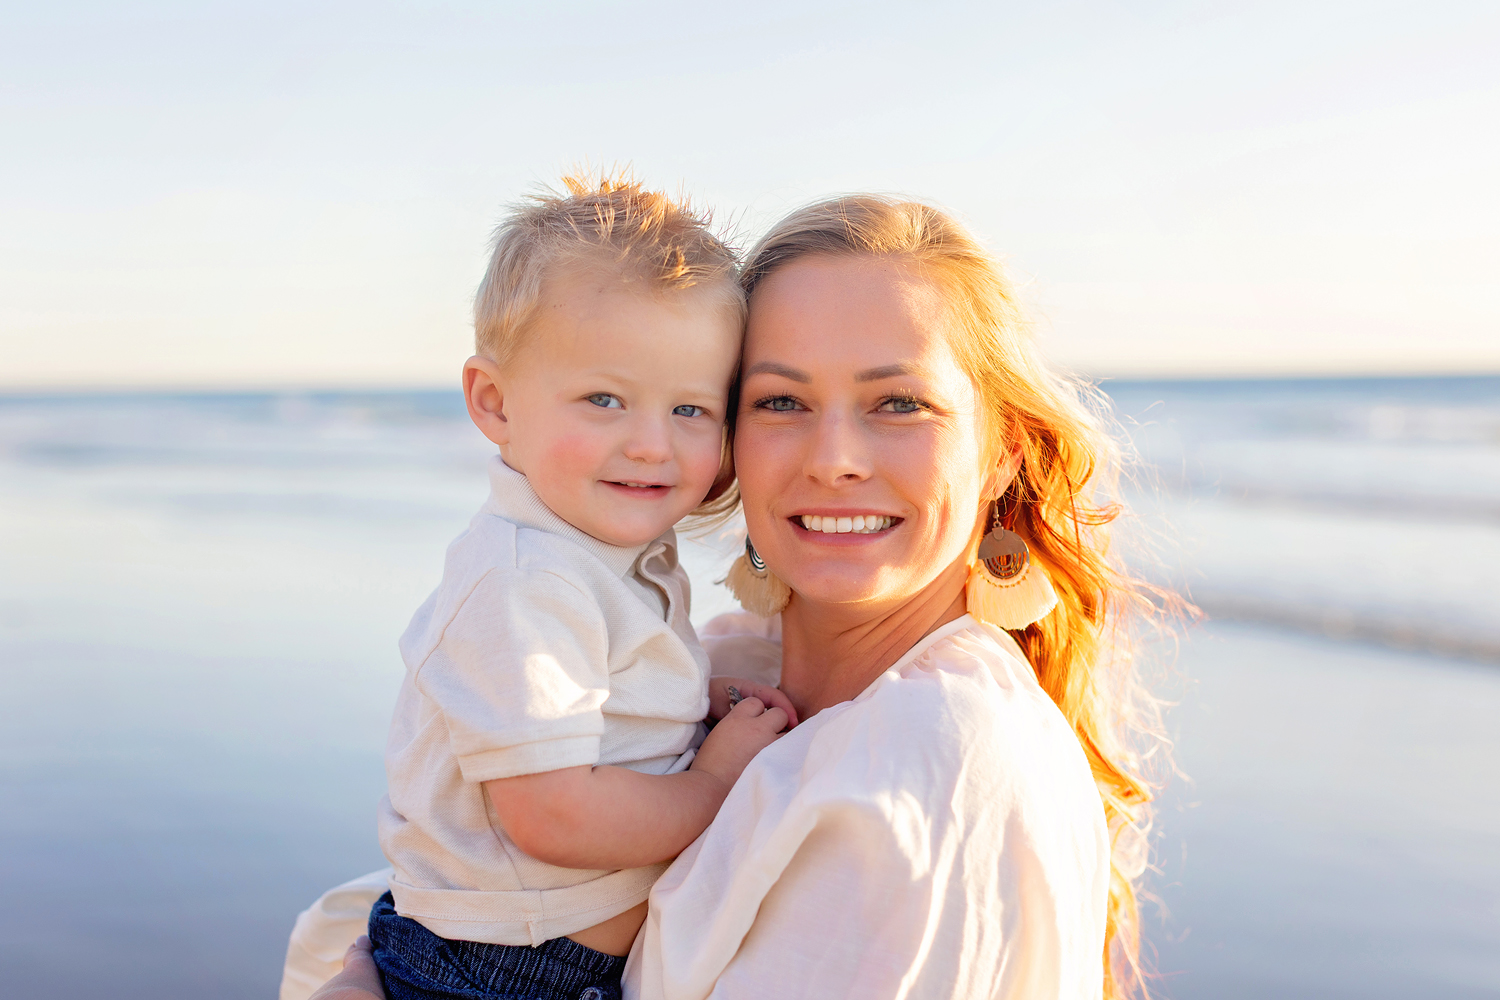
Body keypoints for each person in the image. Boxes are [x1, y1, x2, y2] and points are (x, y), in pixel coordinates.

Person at [293, 194, 1166, 1000]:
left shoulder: (938, 751)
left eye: (898, 403)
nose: (832, 458)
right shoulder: (721, 663)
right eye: (780, 399)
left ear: (1004, 448)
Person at [356, 173, 796, 1000]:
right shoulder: (525, 582)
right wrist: (712, 784)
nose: (650, 446)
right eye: (605, 399)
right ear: (495, 403)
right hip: (502, 971)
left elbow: (594, 698)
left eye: (691, 411)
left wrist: (690, 700)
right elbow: (552, 813)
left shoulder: (596, 549)